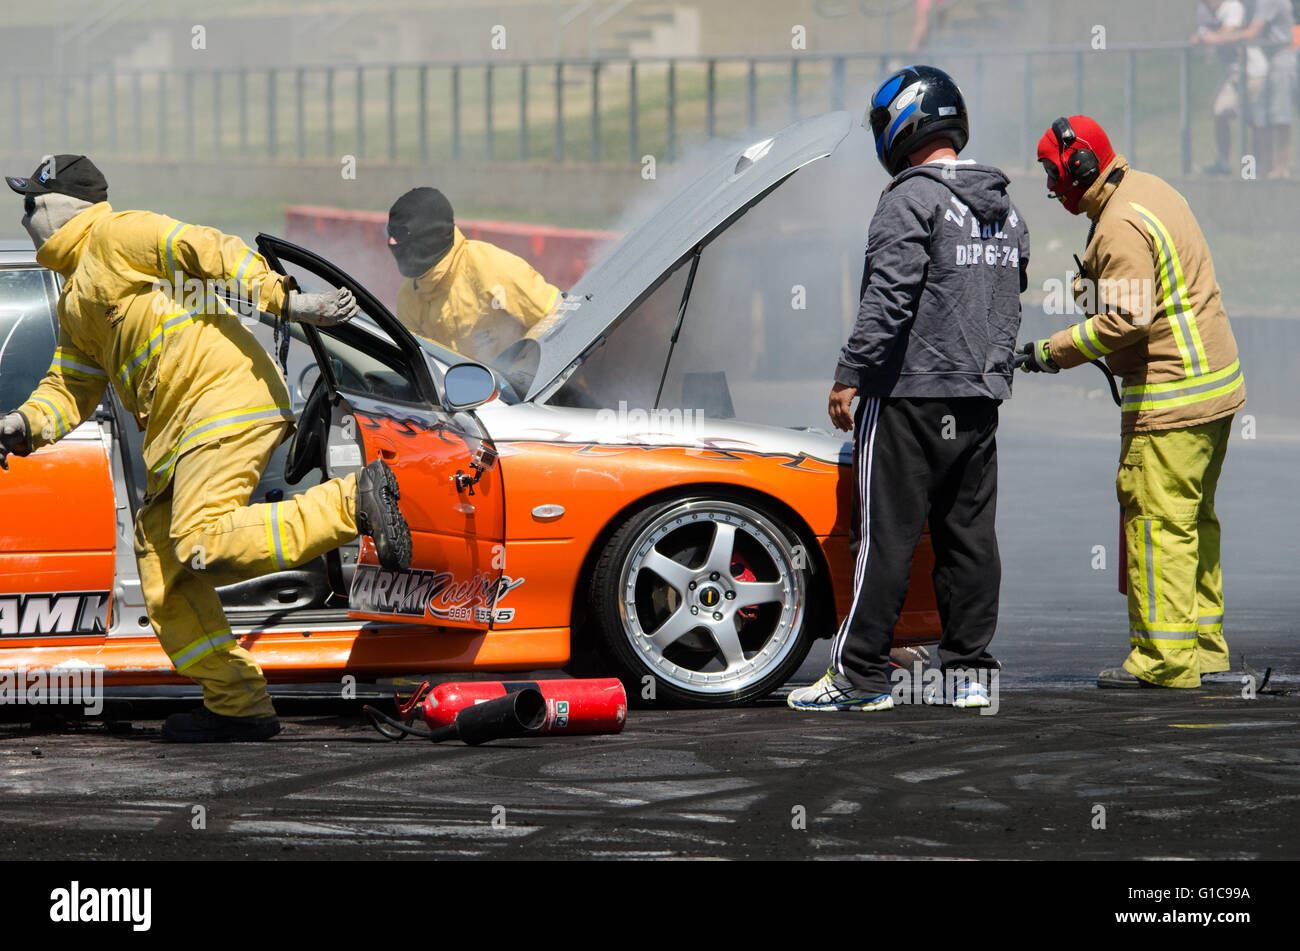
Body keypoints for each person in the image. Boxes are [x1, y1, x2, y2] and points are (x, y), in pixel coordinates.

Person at [0, 155, 413, 741]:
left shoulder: (118, 234)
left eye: (30, 202)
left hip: (222, 402)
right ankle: (236, 702)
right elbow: (70, 387)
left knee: (199, 540)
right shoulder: (76, 299)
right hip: (182, 430)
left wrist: (285, 301)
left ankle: (350, 504)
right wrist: (21, 425)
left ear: (62, 205)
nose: (23, 216)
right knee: (163, 564)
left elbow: (208, 249)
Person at [787, 65, 1029, 713]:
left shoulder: (909, 198)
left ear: (902, 125)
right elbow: (1009, 306)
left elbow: (887, 299)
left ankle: (859, 676)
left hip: (907, 398)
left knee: (885, 538)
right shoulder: (1005, 210)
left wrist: (851, 373)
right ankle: (970, 671)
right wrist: (992, 376)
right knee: (969, 537)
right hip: (978, 399)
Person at [1020, 116, 1246, 689]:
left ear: (1080, 167)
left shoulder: (1117, 224)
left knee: (1156, 526)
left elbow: (1126, 319)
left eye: (1053, 173)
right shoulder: (1148, 190)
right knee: (1192, 522)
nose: (1051, 188)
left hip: (1172, 401)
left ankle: (1164, 661)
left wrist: (1051, 351)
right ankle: (1203, 648)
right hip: (1215, 391)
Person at [387, 187, 561, 363]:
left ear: (429, 234)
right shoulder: (408, 298)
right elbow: (420, 364)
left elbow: (559, 320)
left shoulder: (491, 267)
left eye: (400, 234)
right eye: (390, 234)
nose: (391, 243)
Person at [1198, 0, 1297, 177]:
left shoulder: (1263, 3)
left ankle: (1279, 167)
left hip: (1270, 65)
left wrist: (1217, 38)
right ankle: (1259, 169)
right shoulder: (1250, 5)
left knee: (1274, 118)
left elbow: (1253, 32)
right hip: (1257, 67)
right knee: (1256, 120)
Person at [1195, 0, 1268, 175]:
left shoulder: (1232, 6)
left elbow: (1227, 34)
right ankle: (1224, 163)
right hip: (1233, 73)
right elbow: (1200, 38)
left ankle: (1253, 169)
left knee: (1253, 121)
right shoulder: (1206, 11)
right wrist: (1206, 37)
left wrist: (1209, 37)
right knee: (1220, 111)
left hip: (1253, 71)